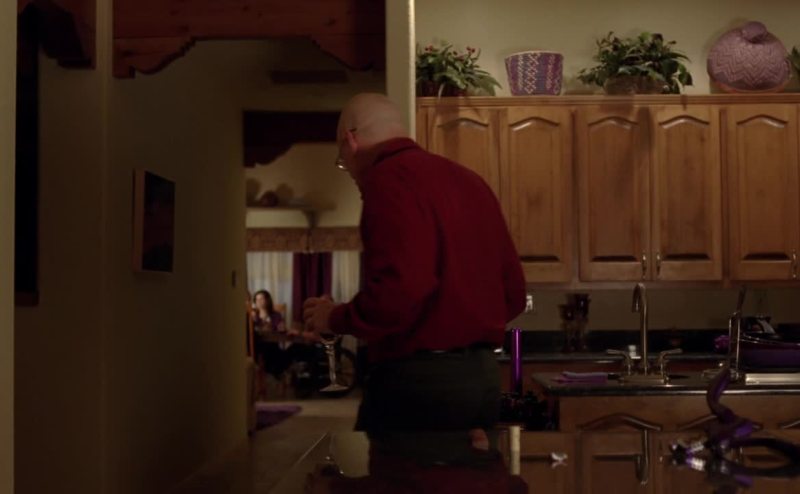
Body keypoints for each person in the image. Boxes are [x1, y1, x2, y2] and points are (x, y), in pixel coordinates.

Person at [303, 93, 526, 433]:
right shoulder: (470, 182)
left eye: (342, 161)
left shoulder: (387, 180)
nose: (347, 170)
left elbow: (399, 293)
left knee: (404, 467)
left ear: (351, 141)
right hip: (482, 379)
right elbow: (514, 294)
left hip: (419, 385)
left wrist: (332, 317)